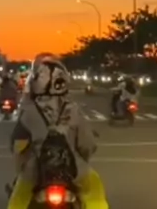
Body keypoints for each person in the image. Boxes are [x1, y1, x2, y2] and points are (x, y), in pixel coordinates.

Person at [7, 56, 106, 209]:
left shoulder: (29, 112)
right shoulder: (73, 110)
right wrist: (82, 159)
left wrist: (23, 165)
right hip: (73, 171)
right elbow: (88, 144)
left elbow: (16, 145)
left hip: (35, 173)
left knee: (18, 201)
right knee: (95, 190)